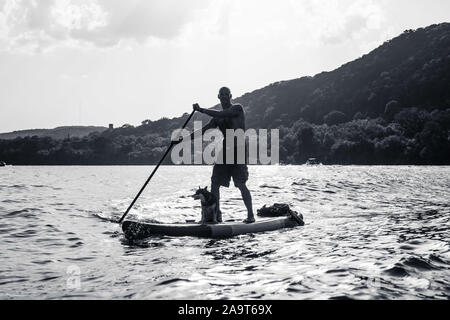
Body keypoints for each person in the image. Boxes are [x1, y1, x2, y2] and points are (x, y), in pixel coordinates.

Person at [175, 87, 255, 223]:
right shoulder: (217, 118)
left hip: (239, 149)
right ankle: (216, 215)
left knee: (240, 184)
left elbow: (224, 114)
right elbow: (204, 130)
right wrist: (183, 139)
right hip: (226, 150)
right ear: (218, 96)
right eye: (221, 94)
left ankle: (250, 216)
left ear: (230, 96)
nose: (224, 96)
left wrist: (201, 110)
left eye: (226, 94)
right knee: (215, 183)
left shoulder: (237, 108)